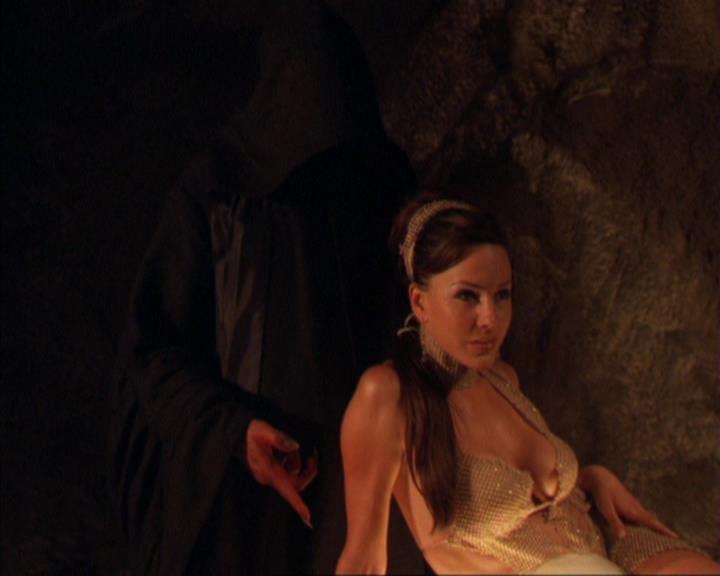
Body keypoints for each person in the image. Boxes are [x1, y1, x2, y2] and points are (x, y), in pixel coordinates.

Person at [107, 1, 417, 573]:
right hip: (240, 504)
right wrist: (235, 431)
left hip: (360, 491)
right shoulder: (218, 188)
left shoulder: (379, 182)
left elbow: (413, 327)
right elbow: (154, 349)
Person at [336, 196, 720, 574]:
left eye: (502, 295)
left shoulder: (502, 378)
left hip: (609, 547)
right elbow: (363, 562)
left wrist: (592, 478)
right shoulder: (387, 395)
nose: (490, 318)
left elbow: (543, 496)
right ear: (419, 303)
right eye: (468, 296)